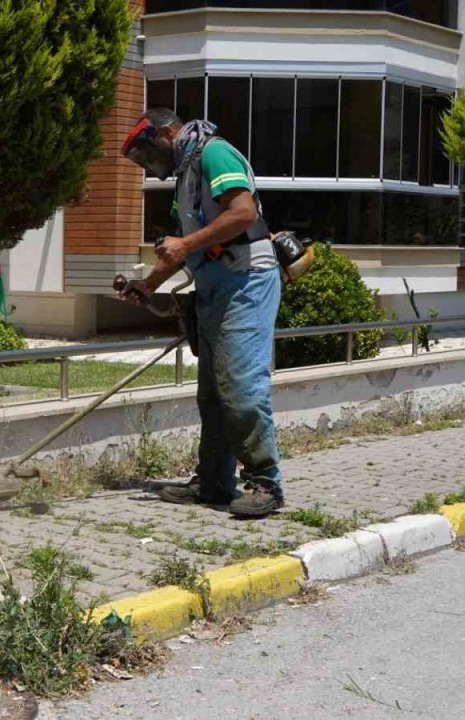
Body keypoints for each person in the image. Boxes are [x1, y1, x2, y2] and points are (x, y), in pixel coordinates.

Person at [119, 108, 284, 519]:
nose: (148, 163)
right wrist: (149, 284)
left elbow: (243, 213)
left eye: (148, 151)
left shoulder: (215, 153)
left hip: (246, 280)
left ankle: (266, 483)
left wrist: (187, 245)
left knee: (242, 386)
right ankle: (213, 483)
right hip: (215, 285)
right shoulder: (186, 176)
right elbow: (181, 246)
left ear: (167, 132)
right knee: (213, 395)